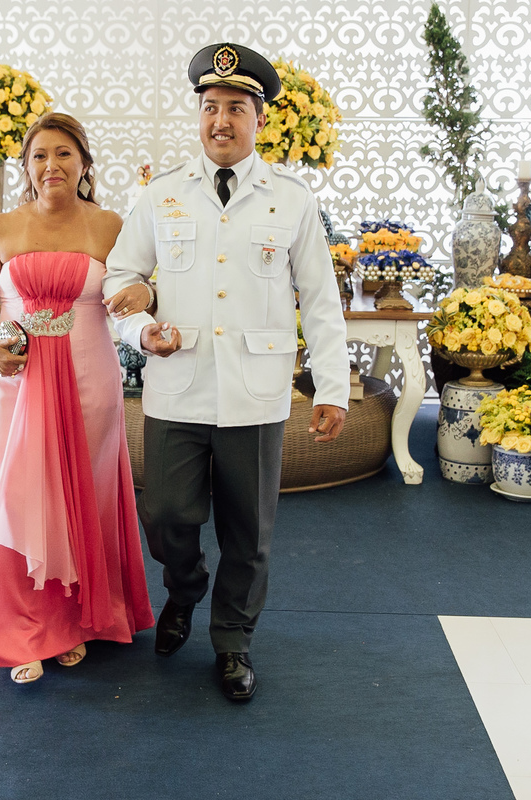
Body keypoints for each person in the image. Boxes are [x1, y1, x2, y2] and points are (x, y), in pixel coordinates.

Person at [103, 43, 350, 702]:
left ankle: (233, 642)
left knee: (249, 532)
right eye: (210, 107)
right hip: (177, 385)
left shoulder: (291, 201)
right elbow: (120, 279)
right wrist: (138, 329)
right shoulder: (161, 197)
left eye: (235, 108)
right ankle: (185, 589)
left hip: (255, 393)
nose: (220, 120)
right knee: (167, 516)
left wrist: (332, 388)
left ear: (259, 120)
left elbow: (320, 299)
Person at [0, 112, 155, 684]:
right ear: (26, 166)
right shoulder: (1, 228)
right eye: (40, 155)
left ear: (84, 163)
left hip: (91, 377)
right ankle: (21, 626)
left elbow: (141, 289)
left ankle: (74, 619)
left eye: (64, 153)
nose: (52, 165)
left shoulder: (111, 226)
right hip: (17, 381)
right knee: (23, 491)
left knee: (85, 488)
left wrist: (146, 293)